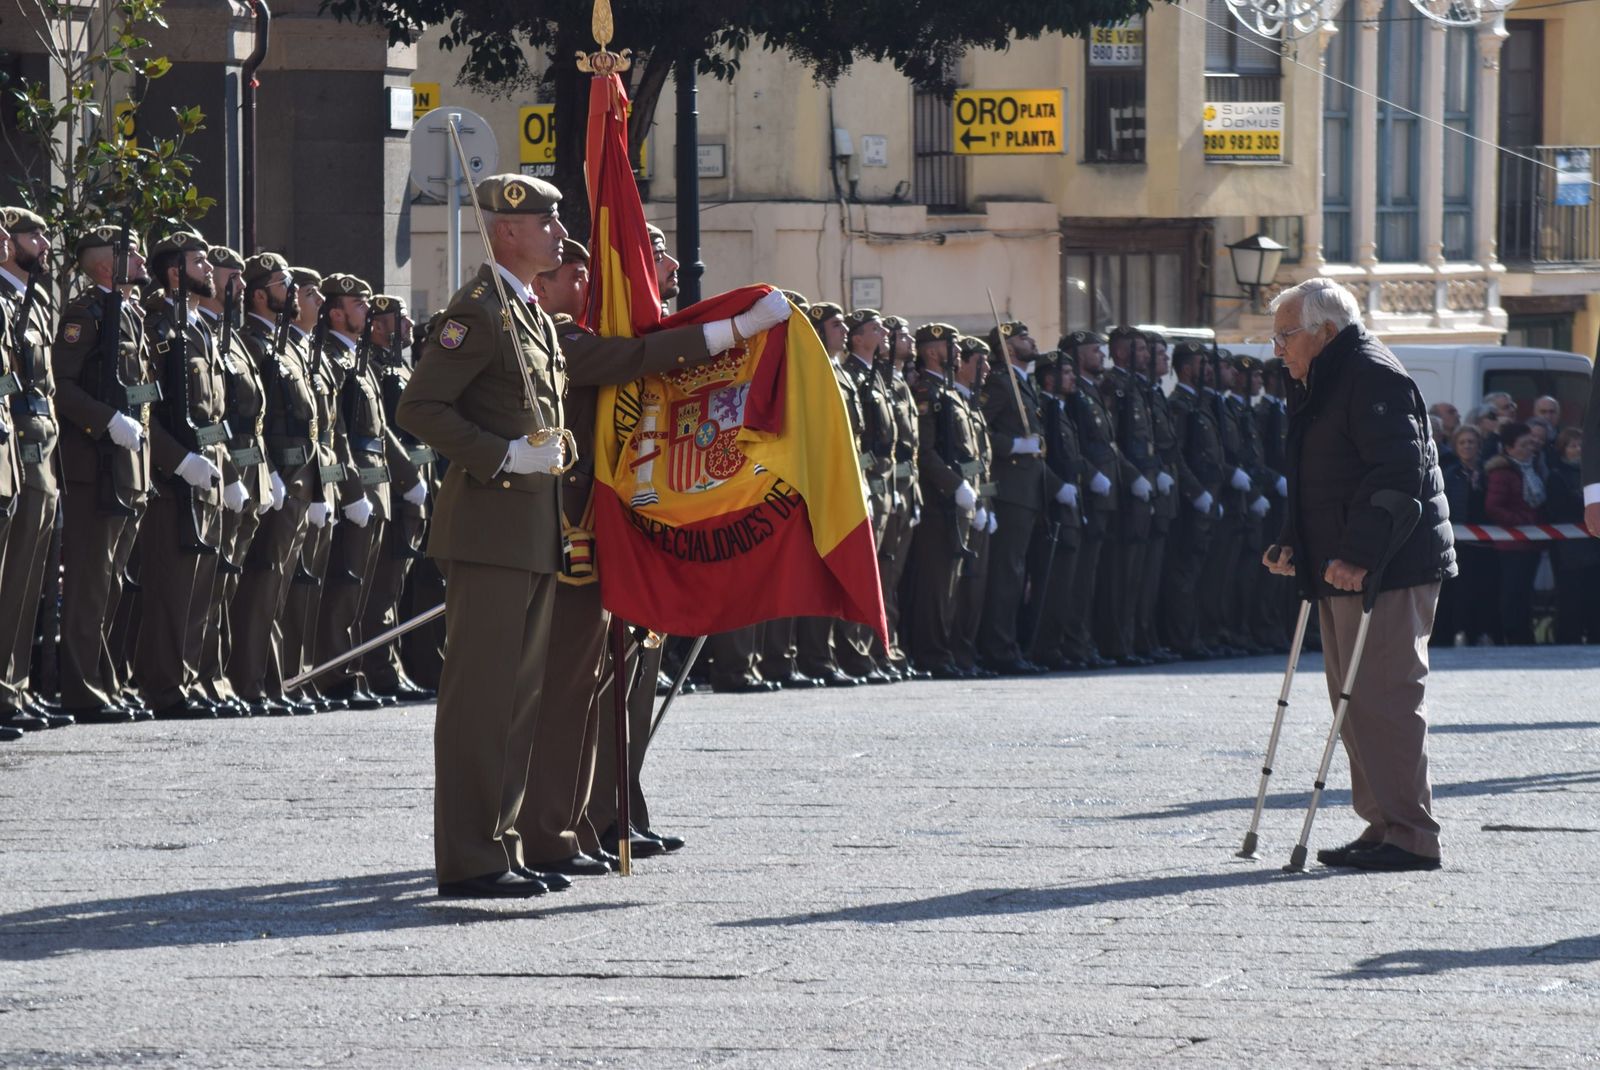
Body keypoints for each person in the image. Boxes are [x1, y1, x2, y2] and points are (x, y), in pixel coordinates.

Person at [1261, 277, 1456, 873]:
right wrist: (1295, 541)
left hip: (1388, 566)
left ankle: (1411, 834)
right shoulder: (1325, 379)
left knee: (1385, 698)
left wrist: (1359, 555)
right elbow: (1326, 480)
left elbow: (1398, 474)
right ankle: (1384, 824)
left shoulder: (1370, 374)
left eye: (1286, 335)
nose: (1278, 349)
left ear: (1325, 331)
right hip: (1344, 565)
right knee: (1353, 702)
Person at [1483, 420, 1546, 646]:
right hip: (1511, 545)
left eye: (1531, 443)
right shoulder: (1502, 472)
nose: (1530, 448)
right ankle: (1512, 634)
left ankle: (1524, 633)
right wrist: (1520, 522)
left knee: (1525, 592)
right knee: (1512, 593)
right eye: (1524, 444)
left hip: (1532, 543)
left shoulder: (1534, 468)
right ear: (1509, 448)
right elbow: (1493, 507)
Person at [1545, 427, 1600, 643]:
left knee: (1594, 593)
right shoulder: (1557, 476)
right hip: (1569, 549)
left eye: (1580, 446)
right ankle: (1569, 636)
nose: (1577, 450)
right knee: (1571, 595)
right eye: (1572, 445)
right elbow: (1558, 508)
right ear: (1562, 449)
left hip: (1594, 546)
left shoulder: (1594, 479)